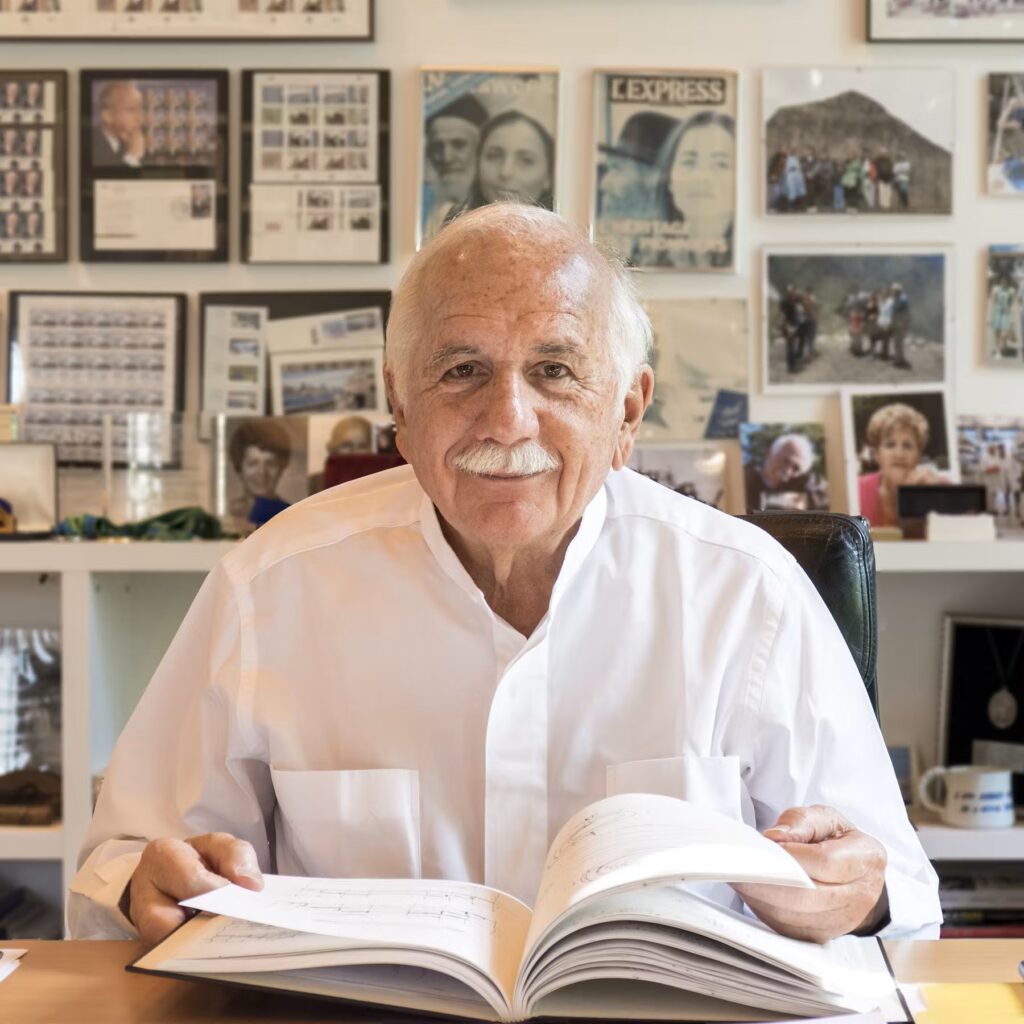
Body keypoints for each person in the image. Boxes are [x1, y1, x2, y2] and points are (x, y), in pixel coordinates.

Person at [69, 204, 939, 949]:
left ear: (627, 409)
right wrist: (153, 880)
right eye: (462, 371)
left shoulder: (750, 595)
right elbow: (120, 870)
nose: (508, 418)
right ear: (400, 407)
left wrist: (856, 895)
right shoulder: (270, 588)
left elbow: (902, 897)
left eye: (555, 370)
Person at [649, 110, 735, 269]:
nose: (702, 176)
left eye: (721, 164)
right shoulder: (647, 258)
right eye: (689, 162)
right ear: (670, 181)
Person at [444, 110, 555, 224]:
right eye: (494, 156)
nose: (505, 172)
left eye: (526, 160)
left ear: (548, 177)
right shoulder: (453, 226)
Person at [857, 402, 947, 529]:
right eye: (890, 445)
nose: (899, 454)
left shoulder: (939, 487)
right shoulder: (857, 491)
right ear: (877, 454)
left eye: (907, 445)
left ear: (919, 455)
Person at [421, 94, 488, 240]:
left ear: (479, 150)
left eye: (458, 145)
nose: (446, 157)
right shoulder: (424, 210)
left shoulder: (494, 208)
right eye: (437, 147)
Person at [225, 419, 293, 531]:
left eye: (270, 464)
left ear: (281, 468)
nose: (262, 472)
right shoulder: (227, 515)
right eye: (253, 463)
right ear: (239, 468)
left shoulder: (291, 515)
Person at [744, 433, 829, 512]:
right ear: (771, 453)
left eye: (796, 468)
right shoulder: (745, 477)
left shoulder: (805, 487)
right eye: (786, 461)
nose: (788, 471)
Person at [92, 80, 147, 168]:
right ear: (107, 116)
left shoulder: (137, 142)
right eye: (131, 109)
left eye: (141, 109)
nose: (140, 118)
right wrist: (132, 157)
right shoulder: (91, 145)